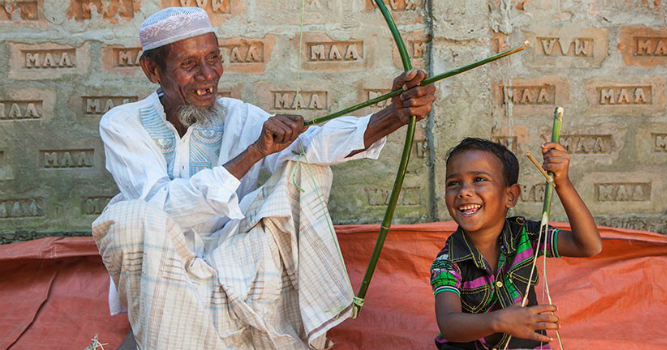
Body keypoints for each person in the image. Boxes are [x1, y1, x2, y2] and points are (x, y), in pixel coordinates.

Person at [91, 7, 436, 350]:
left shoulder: (238, 116)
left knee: (305, 168)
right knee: (127, 217)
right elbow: (162, 206)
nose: (207, 75)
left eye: (214, 58)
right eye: (188, 64)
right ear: (152, 70)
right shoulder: (122, 123)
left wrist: (393, 115)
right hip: (160, 269)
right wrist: (254, 152)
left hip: (233, 261)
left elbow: (310, 145)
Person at [430, 138, 602, 349]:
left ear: (510, 196)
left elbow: (588, 245)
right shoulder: (448, 261)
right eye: (453, 183)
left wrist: (562, 183)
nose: (464, 191)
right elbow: (449, 324)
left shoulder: (526, 236)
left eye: (479, 179)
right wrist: (500, 321)